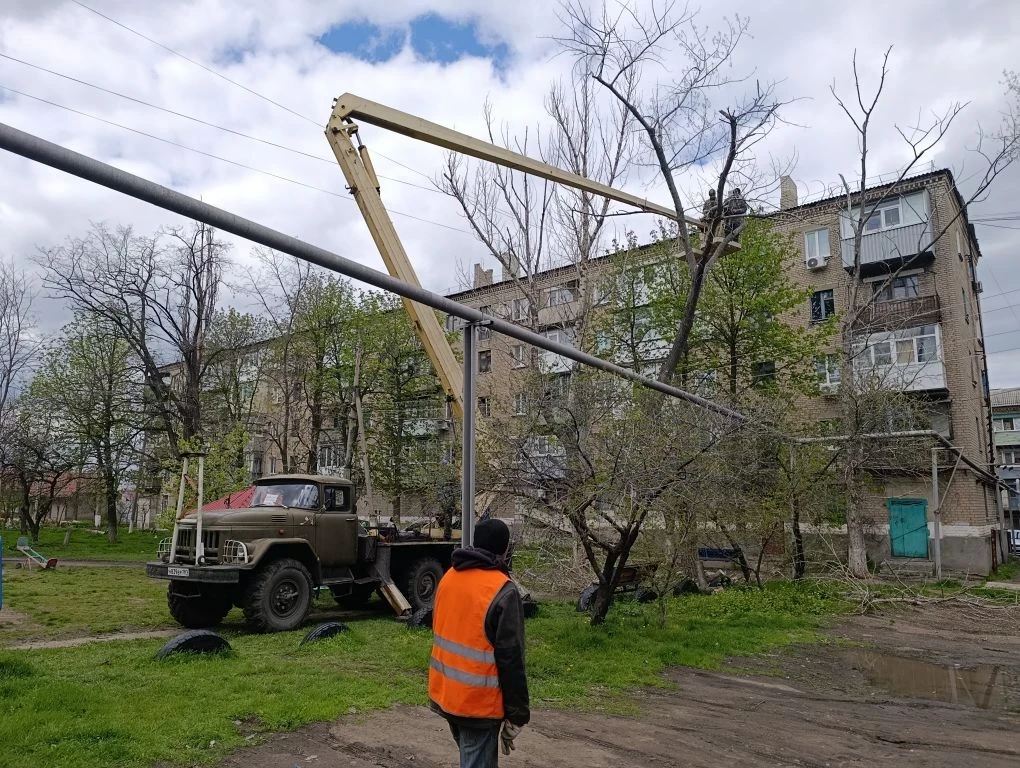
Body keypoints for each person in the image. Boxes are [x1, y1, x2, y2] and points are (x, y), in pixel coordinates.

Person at [429, 518, 529, 768]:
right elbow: (511, 658)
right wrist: (517, 715)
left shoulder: (450, 577)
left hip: (447, 694)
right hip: (478, 704)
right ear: (504, 549)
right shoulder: (502, 590)